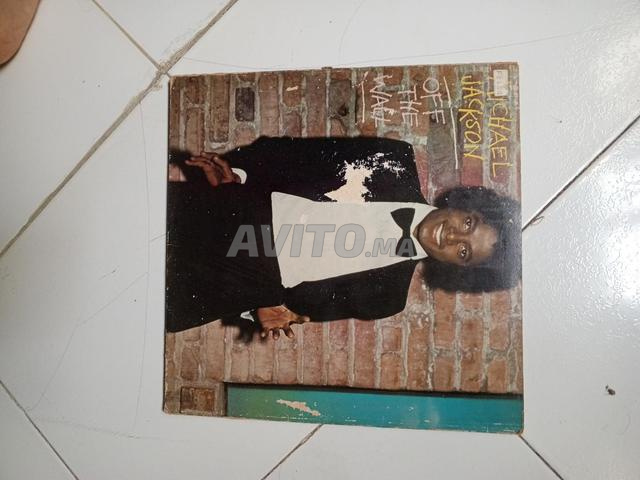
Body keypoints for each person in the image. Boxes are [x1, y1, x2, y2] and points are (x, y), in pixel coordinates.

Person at [165, 136, 521, 339]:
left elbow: (288, 309)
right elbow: (286, 152)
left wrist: (264, 311)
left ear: (456, 267)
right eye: (469, 223)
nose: (454, 236)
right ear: (463, 205)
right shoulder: (391, 160)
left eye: (464, 252)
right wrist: (238, 175)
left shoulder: (385, 299)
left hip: (230, 286)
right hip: (231, 209)